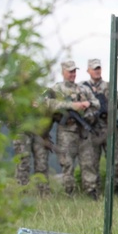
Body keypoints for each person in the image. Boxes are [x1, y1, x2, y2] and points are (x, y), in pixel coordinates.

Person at [45, 60, 100, 198]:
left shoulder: (83, 89)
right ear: (63, 72)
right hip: (66, 131)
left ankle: (91, 192)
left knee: (88, 163)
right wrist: (71, 105)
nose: (73, 74)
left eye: (74, 71)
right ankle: (68, 193)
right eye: (70, 71)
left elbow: (97, 103)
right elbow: (48, 103)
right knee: (67, 163)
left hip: (83, 131)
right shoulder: (57, 89)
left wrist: (87, 103)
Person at [82, 58, 118, 195]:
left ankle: (114, 189)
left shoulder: (109, 86)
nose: (97, 71)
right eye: (94, 69)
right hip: (92, 129)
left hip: (109, 128)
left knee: (114, 160)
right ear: (88, 71)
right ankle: (92, 191)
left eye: (98, 68)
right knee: (91, 161)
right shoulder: (83, 87)